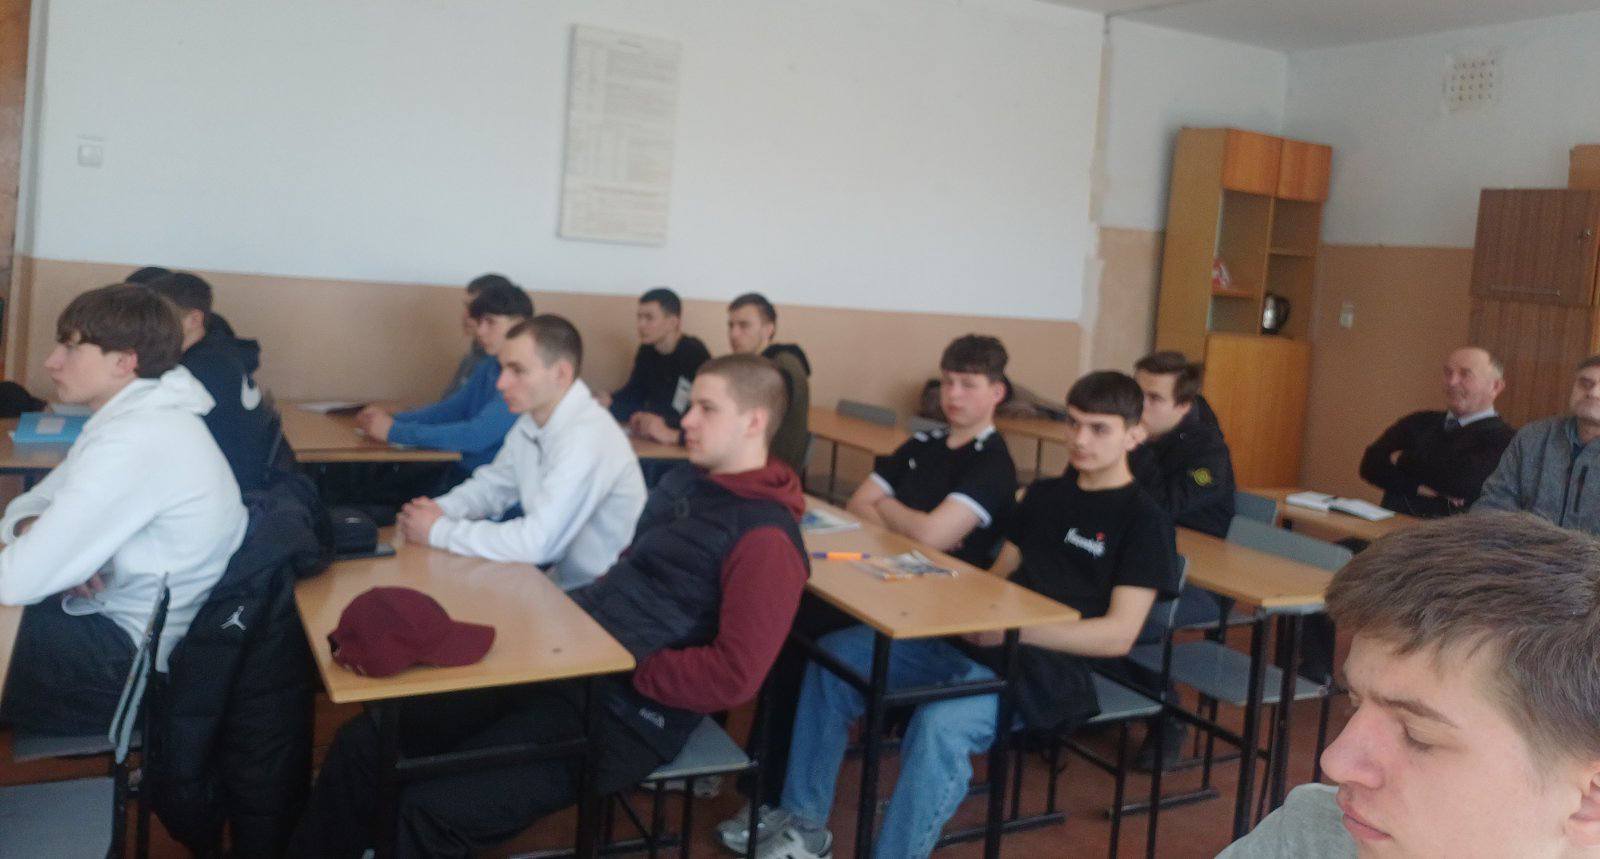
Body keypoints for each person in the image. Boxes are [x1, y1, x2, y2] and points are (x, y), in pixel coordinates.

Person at [290, 354, 810, 858]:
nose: (687, 420)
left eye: (706, 408)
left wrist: (627, 663)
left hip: (630, 714)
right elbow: (627, 572)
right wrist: (575, 629)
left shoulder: (766, 539)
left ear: (754, 422)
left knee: (430, 811)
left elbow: (735, 676)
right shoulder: (687, 483)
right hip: (573, 664)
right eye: (691, 404)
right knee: (368, 742)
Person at [761, 371, 1178, 859]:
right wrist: (957, 603)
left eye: (1099, 429)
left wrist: (1013, 631)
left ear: (1134, 435)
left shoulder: (1144, 520)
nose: (1080, 439)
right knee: (837, 657)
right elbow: (997, 580)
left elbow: (1117, 636)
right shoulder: (1043, 496)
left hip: (1046, 669)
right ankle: (804, 824)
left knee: (940, 725)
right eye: (1073, 423)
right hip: (976, 642)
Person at [1218, 512, 1600, 858]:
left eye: (1417, 736)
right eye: (1353, 703)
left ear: (1589, 801)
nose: (1334, 762)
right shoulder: (1309, 836)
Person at [0, 284, 248, 734]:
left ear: (124, 362)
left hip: (122, 666)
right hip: (104, 625)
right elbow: (28, 506)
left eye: (70, 347)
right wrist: (36, 532)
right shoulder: (134, 417)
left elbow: (14, 580)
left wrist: (53, 552)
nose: (51, 361)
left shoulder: (140, 438)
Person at [394, 315, 646, 590]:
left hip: (600, 593)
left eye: (517, 370)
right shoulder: (531, 420)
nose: (501, 383)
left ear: (561, 374)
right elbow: (494, 486)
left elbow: (538, 543)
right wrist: (440, 509)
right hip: (556, 580)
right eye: (503, 369)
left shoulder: (587, 437)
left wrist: (439, 531)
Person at [1128, 350, 1236, 769]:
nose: (1139, 406)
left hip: (1198, 581)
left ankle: (1168, 715)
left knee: (1122, 618)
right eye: (1136, 393)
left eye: (1154, 398)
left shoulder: (1207, 453)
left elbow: (1159, 508)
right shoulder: (1139, 434)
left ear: (1184, 404)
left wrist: (1134, 450)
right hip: (1144, 561)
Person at [843, 334, 1018, 568]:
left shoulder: (994, 462)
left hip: (948, 581)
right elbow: (857, 504)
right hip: (890, 563)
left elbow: (930, 536)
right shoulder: (922, 442)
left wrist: (883, 504)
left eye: (967, 385)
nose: (953, 394)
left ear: (997, 393)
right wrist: (915, 531)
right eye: (947, 382)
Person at [354, 279, 530, 481]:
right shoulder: (489, 365)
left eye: (490, 322)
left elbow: (475, 436)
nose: (480, 331)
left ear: (519, 324)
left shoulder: (524, 378)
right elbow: (449, 410)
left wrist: (394, 431)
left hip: (490, 485)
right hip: (462, 471)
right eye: (480, 322)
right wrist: (389, 421)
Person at [145, 271, 278, 493]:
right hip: (237, 481)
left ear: (194, 320)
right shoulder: (220, 352)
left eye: (159, 318)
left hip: (228, 489)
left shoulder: (198, 372)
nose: (148, 327)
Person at [1360, 346, 1514, 517]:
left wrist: (1404, 459)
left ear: (1495, 386)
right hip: (1389, 526)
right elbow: (1370, 464)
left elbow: (1462, 483)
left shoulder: (1507, 440)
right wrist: (1417, 487)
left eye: (1465, 374)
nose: (1452, 382)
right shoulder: (1419, 421)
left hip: (1448, 533)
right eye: (1448, 373)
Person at [1474, 354, 1600, 535]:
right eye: (1585, 384)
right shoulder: (1534, 437)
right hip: (1523, 548)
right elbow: (1495, 503)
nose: (1593, 393)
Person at [601, 287, 711, 445]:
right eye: (639, 317)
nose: (641, 325)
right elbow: (634, 392)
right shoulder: (647, 349)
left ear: (673, 322)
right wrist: (608, 400)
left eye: (649, 318)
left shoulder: (692, 353)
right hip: (651, 435)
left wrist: (619, 408)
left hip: (682, 441)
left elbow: (679, 412)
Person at [727, 292, 811, 473]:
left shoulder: (782, 366)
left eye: (744, 325)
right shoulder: (754, 365)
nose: (734, 334)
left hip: (769, 471)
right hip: (753, 462)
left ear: (768, 329)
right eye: (731, 325)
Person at [439, 274, 511, 399]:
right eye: (466, 306)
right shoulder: (473, 356)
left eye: (476, 308)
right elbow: (448, 404)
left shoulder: (505, 366)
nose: (466, 315)